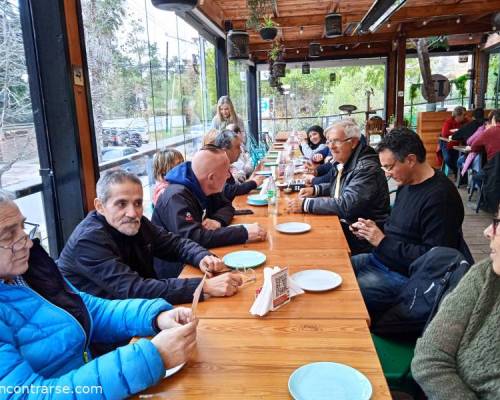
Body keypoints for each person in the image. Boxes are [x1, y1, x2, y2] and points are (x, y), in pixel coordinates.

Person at [0, 191, 198, 399]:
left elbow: (88, 309)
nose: (28, 243)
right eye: (8, 235)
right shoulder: (87, 240)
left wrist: (154, 316)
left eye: (23, 228)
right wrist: (150, 358)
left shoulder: (29, 271)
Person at [58, 170, 242, 305]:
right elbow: (134, 289)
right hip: (100, 334)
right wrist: (205, 286)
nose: (132, 212)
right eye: (121, 204)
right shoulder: (88, 241)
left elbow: (175, 243)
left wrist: (202, 257)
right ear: (99, 206)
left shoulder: (136, 222)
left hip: (142, 310)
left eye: (138, 203)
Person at [350, 128, 470, 316]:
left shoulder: (441, 197)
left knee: (347, 293)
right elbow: (398, 226)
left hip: (408, 277)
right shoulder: (406, 183)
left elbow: (433, 260)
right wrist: (371, 228)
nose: (387, 174)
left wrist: (382, 241)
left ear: (411, 160)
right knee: (337, 270)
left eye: (389, 167)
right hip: (381, 259)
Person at [411, 204, 500, 399]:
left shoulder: (438, 197)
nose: (487, 232)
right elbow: (429, 358)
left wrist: (383, 242)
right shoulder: (484, 274)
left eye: (498, 223)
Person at [287, 120, 390, 254]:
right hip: (347, 227)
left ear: (353, 142)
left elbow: (346, 204)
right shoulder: (347, 160)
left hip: (361, 240)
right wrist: (316, 190)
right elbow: (342, 185)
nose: (331, 147)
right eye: (329, 141)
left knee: (305, 245)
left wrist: (306, 204)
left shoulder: (366, 168)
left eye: (336, 141)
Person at [152, 147, 266, 249]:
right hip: (179, 269)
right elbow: (194, 238)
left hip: (204, 255)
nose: (228, 176)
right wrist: (243, 232)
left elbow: (227, 206)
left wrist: (218, 220)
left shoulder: (205, 184)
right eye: (226, 172)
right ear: (211, 177)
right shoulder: (176, 197)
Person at [213, 129, 265, 201]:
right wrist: (253, 183)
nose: (240, 151)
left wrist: (250, 181)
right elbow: (227, 191)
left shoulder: (223, 165)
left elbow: (233, 187)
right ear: (224, 151)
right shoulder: (215, 167)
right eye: (237, 147)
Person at [440, 106, 468, 174]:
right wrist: (458, 132)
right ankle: (456, 172)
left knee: (462, 159)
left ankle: (460, 176)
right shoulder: (449, 122)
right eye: (463, 115)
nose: (465, 116)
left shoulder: (466, 121)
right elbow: (445, 133)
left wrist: (454, 132)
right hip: (448, 145)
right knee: (447, 159)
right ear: (458, 115)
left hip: (461, 145)